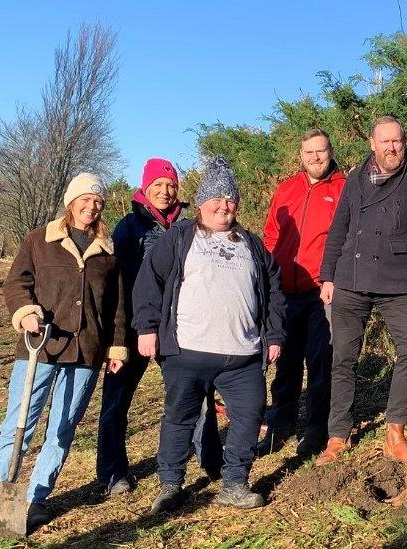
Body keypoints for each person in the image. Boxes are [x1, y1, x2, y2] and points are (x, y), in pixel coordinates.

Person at [0, 174, 128, 538]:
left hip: (87, 350)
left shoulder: (107, 250)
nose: (91, 207)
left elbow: (118, 305)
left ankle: (37, 499)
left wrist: (116, 345)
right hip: (39, 346)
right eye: (85, 200)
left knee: (62, 429)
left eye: (98, 202)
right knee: (18, 426)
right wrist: (25, 310)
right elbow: (16, 283)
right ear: (70, 201)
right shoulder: (39, 240)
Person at [133, 156, 286, 512]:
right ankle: (171, 485)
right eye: (217, 199)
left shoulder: (250, 243)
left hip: (243, 356)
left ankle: (234, 484)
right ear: (202, 202)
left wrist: (274, 335)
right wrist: (147, 328)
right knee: (179, 418)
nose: (224, 206)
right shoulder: (179, 238)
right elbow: (149, 283)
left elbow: (275, 288)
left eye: (231, 199)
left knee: (249, 416)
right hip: (186, 352)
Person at [315, 115, 407, 466]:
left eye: (398, 141)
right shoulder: (355, 179)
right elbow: (339, 230)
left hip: (397, 280)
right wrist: (328, 277)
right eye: (386, 141)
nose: (393, 147)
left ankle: (395, 432)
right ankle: (338, 435)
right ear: (373, 144)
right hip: (351, 277)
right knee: (343, 358)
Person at [96, 158, 222, 496]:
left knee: (196, 395)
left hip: (181, 327)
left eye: (171, 186)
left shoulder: (190, 226)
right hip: (135, 325)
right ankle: (112, 472)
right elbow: (117, 283)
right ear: (145, 187)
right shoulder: (128, 227)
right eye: (158, 186)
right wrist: (117, 333)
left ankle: (210, 458)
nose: (165, 192)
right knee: (117, 399)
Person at [258, 129, 345, 456]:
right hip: (284, 290)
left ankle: (316, 428)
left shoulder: (342, 189)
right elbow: (270, 236)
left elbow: (347, 239)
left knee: (321, 359)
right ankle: (280, 424)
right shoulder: (287, 189)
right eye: (309, 152)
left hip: (321, 291)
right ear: (301, 155)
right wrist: (267, 277)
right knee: (286, 359)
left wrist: (333, 277)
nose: (315, 157)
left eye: (321, 151)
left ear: (330, 151)